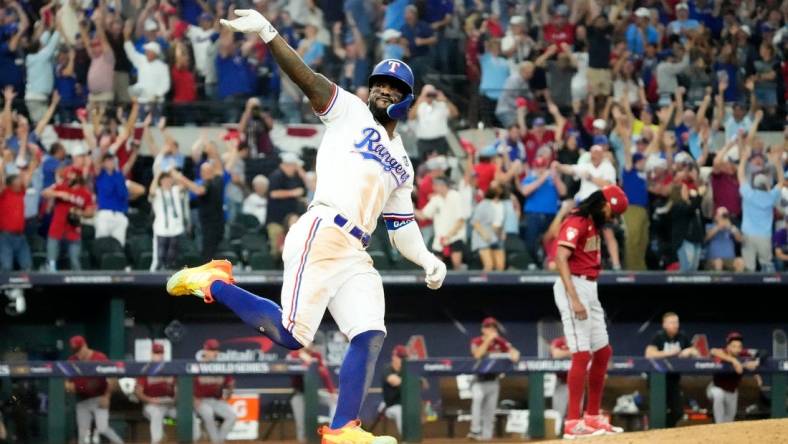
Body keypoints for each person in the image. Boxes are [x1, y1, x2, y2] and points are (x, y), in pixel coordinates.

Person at [166, 9, 447, 444]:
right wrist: (269, 33)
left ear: (407, 99)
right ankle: (214, 282)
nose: (382, 91)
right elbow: (308, 78)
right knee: (293, 336)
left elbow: (401, 224)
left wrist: (426, 257)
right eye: (379, 84)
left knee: (370, 332)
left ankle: (342, 430)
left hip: (357, 249)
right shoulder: (350, 111)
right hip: (322, 230)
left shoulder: (405, 163)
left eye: (394, 88)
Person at [552, 186, 628, 438]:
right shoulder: (577, 220)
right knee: (581, 355)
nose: (611, 217)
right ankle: (573, 423)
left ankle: (593, 417)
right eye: (611, 212)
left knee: (603, 352)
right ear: (604, 205)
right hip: (573, 286)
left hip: (590, 286)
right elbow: (560, 258)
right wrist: (574, 298)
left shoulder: (591, 222)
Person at [737, 118, 783, 272]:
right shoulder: (771, 197)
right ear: (767, 185)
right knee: (767, 267)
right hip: (764, 236)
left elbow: (741, 176)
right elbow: (782, 182)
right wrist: (777, 164)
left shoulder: (749, 193)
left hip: (748, 235)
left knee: (749, 269)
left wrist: (743, 159)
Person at [468, 317, 520, 441]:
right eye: (488, 327)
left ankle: (486, 436)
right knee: (477, 404)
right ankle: (475, 431)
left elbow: (515, 354)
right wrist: (488, 340)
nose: (491, 330)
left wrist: (512, 353)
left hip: (494, 380)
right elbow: (477, 354)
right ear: (483, 329)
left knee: (490, 411)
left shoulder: (500, 342)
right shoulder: (476, 341)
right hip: (479, 380)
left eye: (493, 327)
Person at [644, 312, 699, 427]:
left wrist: (689, 351)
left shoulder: (682, 336)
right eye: (672, 322)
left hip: (674, 379)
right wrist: (671, 353)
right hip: (657, 379)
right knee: (658, 411)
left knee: (678, 411)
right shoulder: (659, 336)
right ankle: (655, 432)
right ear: (664, 324)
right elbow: (649, 354)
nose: (675, 325)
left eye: (677, 322)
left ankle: (667, 430)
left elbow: (696, 352)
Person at [66, 335, 124, 444]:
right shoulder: (72, 360)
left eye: (79, 349)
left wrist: (107, 397)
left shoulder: (99, 357)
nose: (78, 353)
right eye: (75, 350)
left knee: (103, 428)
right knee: (82, 434)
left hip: (99, 398)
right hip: (82, 401)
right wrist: (69, 387)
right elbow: (66, 382)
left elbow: (112, 379)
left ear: (85, 345)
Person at [41, 166, 95, 271]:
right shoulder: (61, 187)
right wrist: (59, 194)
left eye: (71, 176)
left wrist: (80, 212)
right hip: (56, 229)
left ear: (78, 177)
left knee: (75, 262)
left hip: (73, 231)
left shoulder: (85, 193)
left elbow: (91, 212)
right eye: (68, 176)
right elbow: (44, 192)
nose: (68, 178)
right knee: (51, 263)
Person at [136, 343, 190, 443]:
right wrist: (151, 400)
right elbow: (138, 393)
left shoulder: (170, 369)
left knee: (187, 416)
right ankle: (157, 441)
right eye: (156, 353)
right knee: (157, 414)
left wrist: (175, 400)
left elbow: (178, 390)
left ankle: (192, 439)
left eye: (160, 353)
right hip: (151, 405)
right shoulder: (145, 369)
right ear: (151, 354)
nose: (159, 355)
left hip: (169, 405)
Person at [287, 344, 337, 443]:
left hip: (313, 394)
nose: (309, 345)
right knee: (301, 423)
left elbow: (325, 374)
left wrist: (332, 392)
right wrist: (301, 356)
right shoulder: (294, 355)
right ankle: (302, 441)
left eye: (311, 343)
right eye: (306, 343)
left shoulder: (316, 356)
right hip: (299, 394)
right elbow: (289, 364)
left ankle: (334, 431)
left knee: (335, 400)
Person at [708, 332, 760, 423]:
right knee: (718, 395)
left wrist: (756, 369)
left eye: (739, 346)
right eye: (734, 346)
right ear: (728, 346)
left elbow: (762, 353)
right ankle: (718, 425)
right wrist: (733, 361)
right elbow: (713, 351)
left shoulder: (743, 354)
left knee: (729, 420)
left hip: (732, 391)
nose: (737, 349)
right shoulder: (722, 352)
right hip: (715, 388)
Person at [415, 177, 466, 270]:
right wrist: (410, 207)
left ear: (443, 186)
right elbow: (423, 216)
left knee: (456, 264)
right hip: (440, 239)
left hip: (455, 237)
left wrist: (448, 236)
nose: (434, 188)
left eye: (435, 185)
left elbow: (461, 221)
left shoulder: (456, 196)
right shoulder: (436, 199)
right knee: (436, 268)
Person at [193, 339, 237, 443]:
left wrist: (228, 393)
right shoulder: (196, 366)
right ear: (205, 350)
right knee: (208, 414)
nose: (214, 352)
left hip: (216, 400)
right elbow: (185, 386)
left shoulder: (221, 367)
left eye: (216, 350)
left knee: (232, 416)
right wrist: (193, 399)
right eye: (212, 350)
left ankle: (218, 441)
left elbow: (230, 384)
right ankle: (216, 441)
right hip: (200, 400)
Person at [266, 152, 307, 260]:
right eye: (294, 166)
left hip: (290, 222)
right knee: (278, 251)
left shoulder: (294, 177)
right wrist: (293, 193)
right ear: (287, 165)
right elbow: (273, 193)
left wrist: (300, 171)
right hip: (277, 221)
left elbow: (306, 185)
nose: (296, 169)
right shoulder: (277, 175)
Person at [408, 84, 458, 161]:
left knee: (442, 165)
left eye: (431, 93)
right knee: (423, 167)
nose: (429, 96)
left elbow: (455, 114)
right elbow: (411, 117)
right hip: (423, 142)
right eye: (427, 94)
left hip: (440, 141)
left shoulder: (442, 104)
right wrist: (420, 100)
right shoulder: (419, 105)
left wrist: (445, 100)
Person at [149, 170, 187, 270]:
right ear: (161, 181)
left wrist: (175, 175)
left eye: (169, 179)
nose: (167, 181)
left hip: (176, 228)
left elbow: (184, 185)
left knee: (173, 257)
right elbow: (151, 192)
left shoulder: (175, 190)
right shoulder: (157, 191)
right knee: (160, 256)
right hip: (161, 228)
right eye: (165, 179)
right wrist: (157, 175)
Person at [0, 158, 33, 271]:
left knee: (27, 266)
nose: (21, 184)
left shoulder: (20, 193)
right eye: (18, 182)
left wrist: (32, 161)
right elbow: (1, 181)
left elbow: (28, 175)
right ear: (10, 185)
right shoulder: (4, 194)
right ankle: (5, 289)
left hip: (20, 236)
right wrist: (2, 164)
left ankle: (25, 289)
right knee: (6, 266)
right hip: (6, 236)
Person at [94, 154, 129, 246]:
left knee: (119, 245)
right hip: (105, 213)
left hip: (119, 213)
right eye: (107, 161)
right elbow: (96, 163)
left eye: (112, 160)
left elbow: (124, 194)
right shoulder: (100, 175)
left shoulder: (119, 176)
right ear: (103, 163)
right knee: (102, 243)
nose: (110, 163)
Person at [470, 182, 505, 271]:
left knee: (500, 266)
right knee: (489, 265)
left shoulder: (501, 205)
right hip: (482, 238)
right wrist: (484, 234)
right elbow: (475, 222)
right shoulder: (483, 204)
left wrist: (501, 232)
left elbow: (498, 223)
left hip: (495, 237)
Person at [705, 207, 745, 272]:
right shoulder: (710, 226)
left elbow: (740, 239)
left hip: (729, 259)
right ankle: (719, 282)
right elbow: (705, 238)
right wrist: (718, 227)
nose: (723, 218)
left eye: (725, 216)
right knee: (718, 262)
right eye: (721, 216)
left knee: (740, 262)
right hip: (713, 259)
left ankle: (737, 282)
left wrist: (732, 228)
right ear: (716, 216)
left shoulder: (731, 227)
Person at [381, 345, 408, 435]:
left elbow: (424, 384)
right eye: (400, 357)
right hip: (390, 406)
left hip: (406, 405)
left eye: (404, 357)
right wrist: (412, 381)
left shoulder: (406, 370)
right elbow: (394, 381)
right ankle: (407, 440)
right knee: (400, 410)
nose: (402, 360)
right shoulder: (387, 369)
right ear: (394, 357)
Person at [550, 336, 571, 424]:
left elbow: (590, 354)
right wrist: (574, 353)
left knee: (576, 414)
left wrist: (565, 353)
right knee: (558, 414)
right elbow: (556, 354)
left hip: (578, 383)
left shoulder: (583, 341)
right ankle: (557, 434)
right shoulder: (559, 341)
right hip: (561, 382)